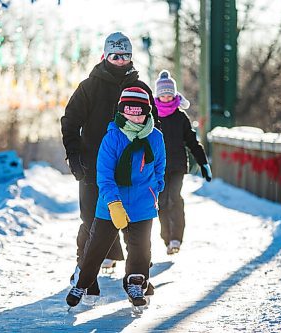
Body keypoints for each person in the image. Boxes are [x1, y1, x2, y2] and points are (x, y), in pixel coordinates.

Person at [61, 32, 158, 296]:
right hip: (94, 168)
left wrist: (153, 168)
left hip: (134, 175)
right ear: (105, 56)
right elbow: (69, 124)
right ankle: (86, 274)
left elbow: (154, 129)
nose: (120, 61)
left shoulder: (142, 89)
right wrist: (75, 157)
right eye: (114, 56)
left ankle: (138, 276)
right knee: (92, 221)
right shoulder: (88, 87)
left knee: (137, 224)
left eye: (125, 56)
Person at [66, 87, 166, 307]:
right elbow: (104, 176)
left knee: (141, 249)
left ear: (147, 112)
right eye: (128, 110)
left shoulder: (155, 137)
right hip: (111, 204)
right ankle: (82, 283)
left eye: (139, 110)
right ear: (121, 111)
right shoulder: (112, 138)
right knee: (97, 247)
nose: (134, 115)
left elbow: (159, 168)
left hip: (142, 204)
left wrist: (155, 189)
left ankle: (136, 283)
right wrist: (114, 203)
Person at [153, 70, 212, 255]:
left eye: (169, 94)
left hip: (177, 166)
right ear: (158, 96)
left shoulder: (180, 117)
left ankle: (176, 238)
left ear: (175, 95)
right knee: (161, 202)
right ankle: (166, 238)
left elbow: (192, 142)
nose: (166, 97)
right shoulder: (153, 117)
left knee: (174, 199)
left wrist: (203, 163)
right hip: (158, 167)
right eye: (163, 95)